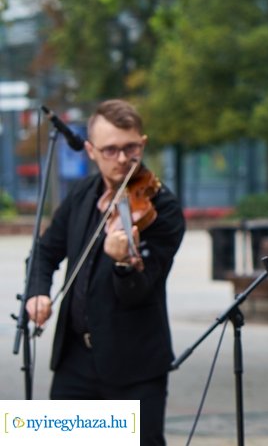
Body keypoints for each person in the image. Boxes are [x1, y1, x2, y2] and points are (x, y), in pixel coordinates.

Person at [26, 99, 185, 445]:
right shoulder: (83, 193)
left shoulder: (162, 210)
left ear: (142, 143)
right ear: (90, 151)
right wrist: (37, 292)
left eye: (130, 148)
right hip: (75, 361)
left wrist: (123, 264)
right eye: (110, 150)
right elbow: (44, 251)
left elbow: (139, 291)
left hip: (134, 368)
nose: (122, 159)